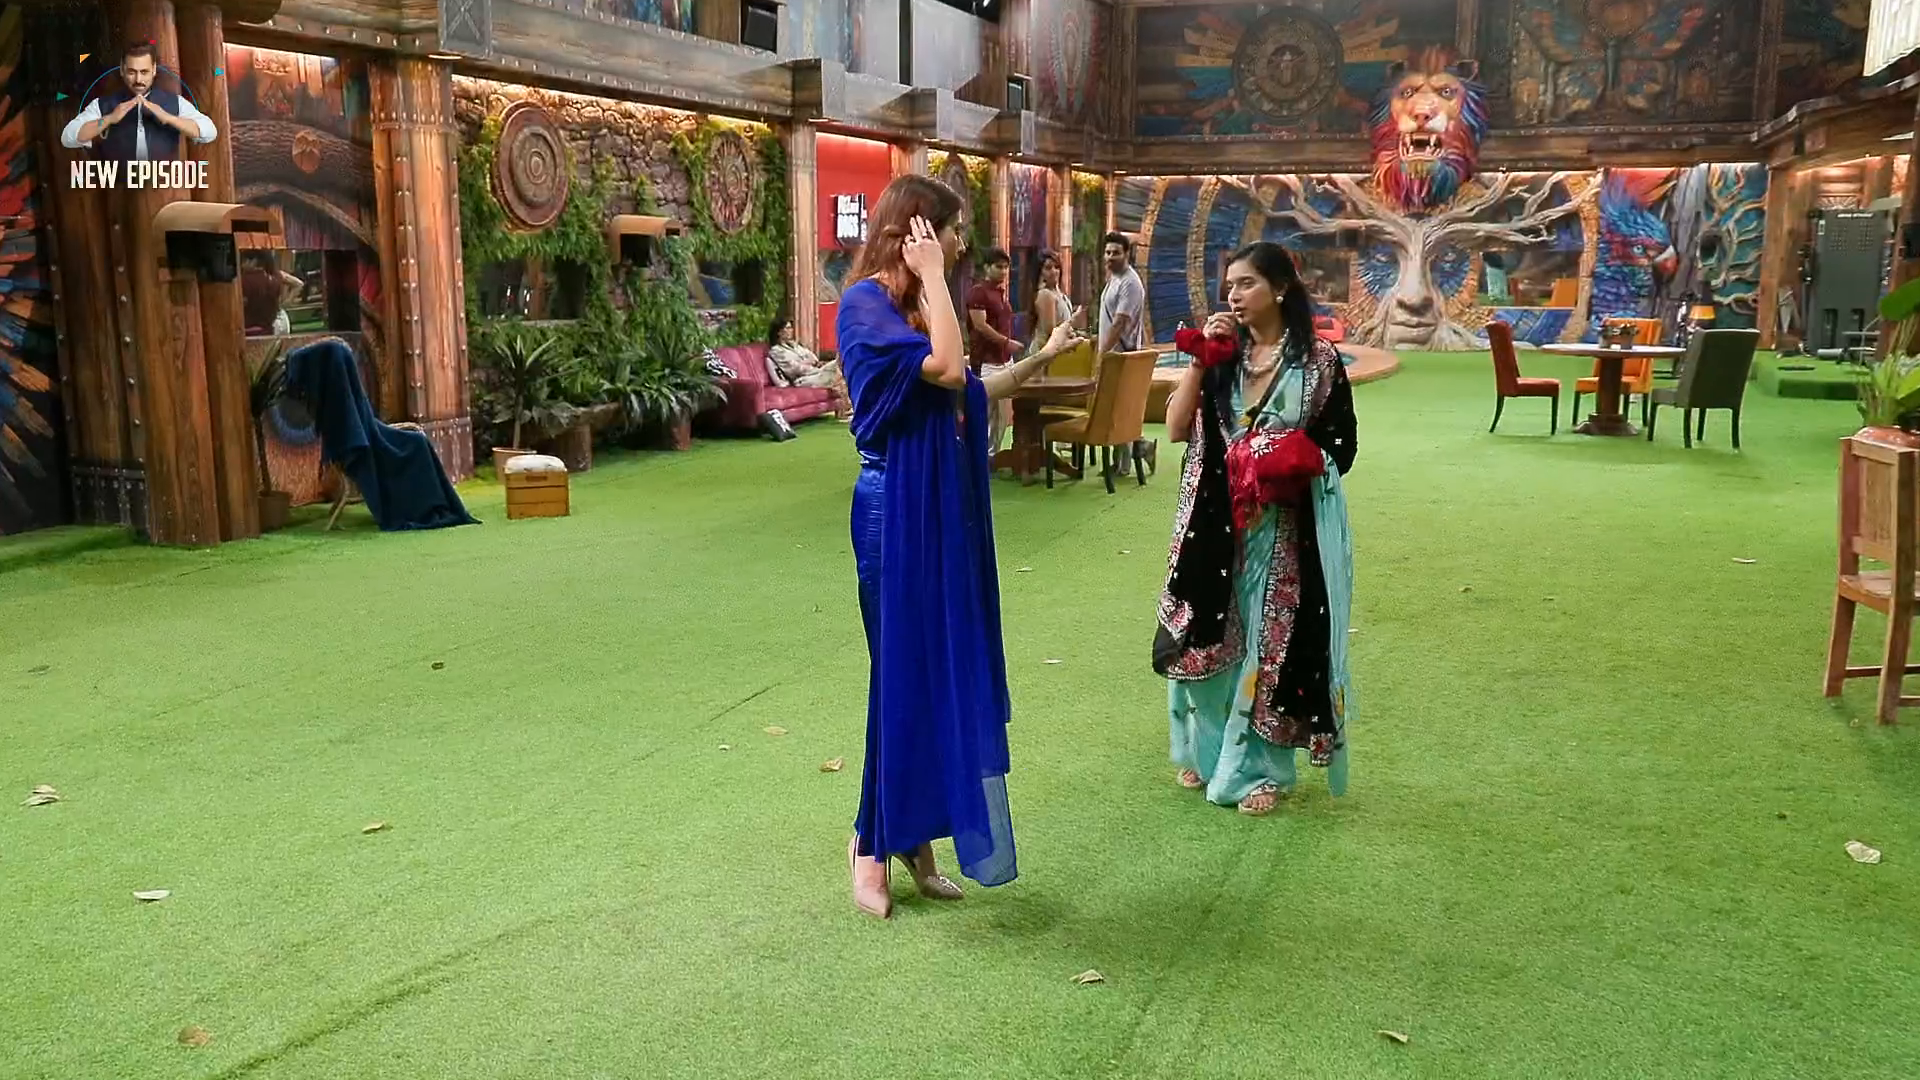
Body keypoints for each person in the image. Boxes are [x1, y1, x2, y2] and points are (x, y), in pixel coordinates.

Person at [838, 174, 1081, 918]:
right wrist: (936, 278)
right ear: (916, 233)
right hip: (891, 509)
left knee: (934, 670)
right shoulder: (865, 305)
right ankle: (870, 841)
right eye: (950, 230)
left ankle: (915, 841)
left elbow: (970, 388)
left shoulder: (919, 307)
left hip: (935, 512)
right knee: (899, 675)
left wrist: (1044, 355)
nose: (960, 243)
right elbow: (946, 367)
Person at [1155, 241, 1358, 816]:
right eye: (1230, 286)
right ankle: (1206, 753)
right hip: (1212, 520)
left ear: (1281, 287)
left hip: (1283, 530)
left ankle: (1258, 771)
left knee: (1272, 645)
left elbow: (1341, 445)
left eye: (1246, 283)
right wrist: (1201, 359)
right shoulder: (1224, 356)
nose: (1234, 296)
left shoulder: (1318, 363)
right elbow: (1175, 428)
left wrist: (1287, 454)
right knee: (1205, 637)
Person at [62, 42, 217, 163]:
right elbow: (69, 137)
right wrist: (109, 119)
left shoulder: (176, 102)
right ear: (122, 70)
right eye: (132, 72)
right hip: (119, 186)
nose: (138, 80)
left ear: (154, 70)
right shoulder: (102, 104)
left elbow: (209, 132)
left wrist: (168, 118)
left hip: (163, 186)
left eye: (144, 72)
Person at [967, 248, 1020, 451]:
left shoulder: (1000, 293)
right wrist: (1006, 342)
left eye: (1006, 267)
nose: (1004, 271)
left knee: (1002, 417)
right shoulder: (978, 292)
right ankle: (979, 455)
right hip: (986, 361)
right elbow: (980, 325)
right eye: (999, 267)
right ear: (987, 267)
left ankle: (993, 455)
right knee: (985, 413)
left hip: (1004, 360)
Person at [765, 317, 849, 414]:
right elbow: (795, 369)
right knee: (836, 371)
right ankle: (846, 408)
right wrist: (815, 367)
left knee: (841, 363)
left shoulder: (795, 346)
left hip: (815, 372)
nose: (791, 330)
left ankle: (846, 407)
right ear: (779, 332)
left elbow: (813, 358)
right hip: (802, 380)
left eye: (791, 328)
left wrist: (806, 362)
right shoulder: (776, 351)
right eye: (787, 328)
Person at [1098, 232, 1146, 355]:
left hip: (1120, 356)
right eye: (1108, 253)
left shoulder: (1130, 282)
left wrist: (1101, 355)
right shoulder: (1114, 278)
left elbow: (1119, 323)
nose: (1110, 257)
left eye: (1116, 253)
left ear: (1126, 254)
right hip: (1111, 354)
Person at [241, 252, 302, 336]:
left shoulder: (245, 280)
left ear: (254, 261)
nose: (242, 265)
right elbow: (298, 284)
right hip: (278, 322)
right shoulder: (276, 274)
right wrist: (286, 303)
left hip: (257, 327)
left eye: (244, 261)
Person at [1029, 250, 1074, 350]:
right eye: (1048, 268)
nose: (1054, 271)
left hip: (1060, 347)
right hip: (1047, 350)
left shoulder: (1061, 293)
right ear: (1040, 272)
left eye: (1056, 267)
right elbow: (1051, 332)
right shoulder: (1045, 294)